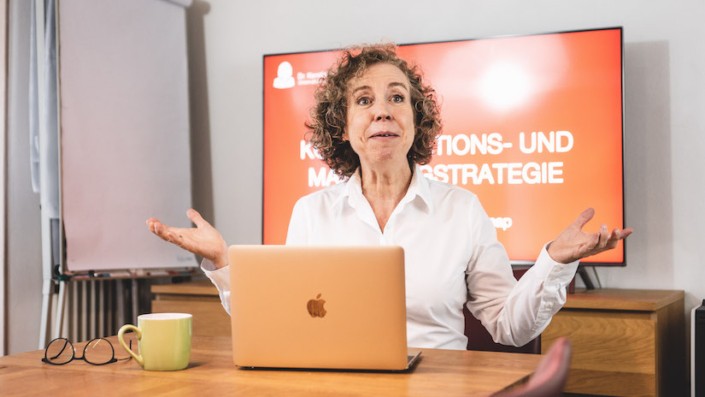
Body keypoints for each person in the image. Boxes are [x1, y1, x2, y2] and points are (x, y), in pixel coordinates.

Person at [147, 44, 632, 350]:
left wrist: (553, 261)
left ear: (415, 121)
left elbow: (511, 327)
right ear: (342, 127)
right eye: (364, 100)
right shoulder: (310, 213)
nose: (383, 110)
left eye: (397, 98)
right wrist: (223, 263)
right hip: (338, 387)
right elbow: (281, 323)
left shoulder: (461, 209)